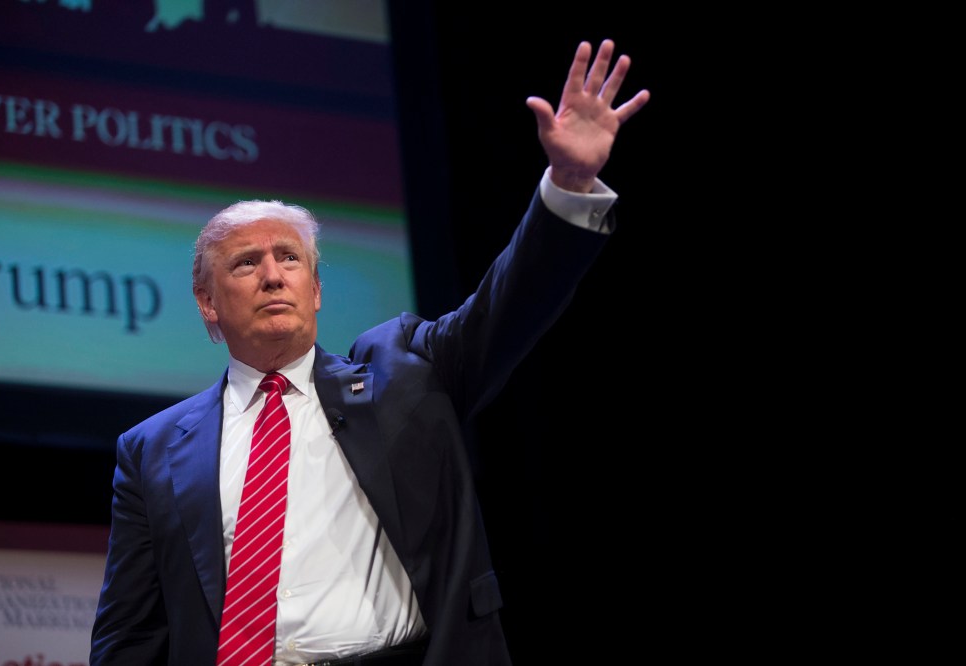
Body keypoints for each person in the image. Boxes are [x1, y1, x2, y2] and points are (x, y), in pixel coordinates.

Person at [89, 38, 650, 666]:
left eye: (290, 258)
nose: (273, 276)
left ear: (317, 289)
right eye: (247, 263)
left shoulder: (407, 372)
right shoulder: (153, 450)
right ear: (207, 304)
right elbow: (130, 636)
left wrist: (569, 184)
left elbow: (509, 303)